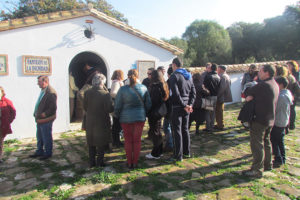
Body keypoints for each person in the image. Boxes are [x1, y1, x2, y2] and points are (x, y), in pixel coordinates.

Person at [242, 64, 279, 178]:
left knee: (257, 144)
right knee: (266, 142)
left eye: (261, 71)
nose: (258, 73)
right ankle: (268, 164)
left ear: (267, 72)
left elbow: (247, 91)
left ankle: (257, 169)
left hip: (259, 118)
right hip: (270, 118)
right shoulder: (274, 83)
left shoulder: (263, 85)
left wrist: (250, 95)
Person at [114, 69, 151, 169]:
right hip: (140, 117)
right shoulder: (144, 88)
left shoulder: (122, 89)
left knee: (128, 140)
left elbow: (117, 105)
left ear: (128, 76)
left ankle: (129, 162)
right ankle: (135, 162)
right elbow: (148, 104)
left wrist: (116, 115)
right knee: (137, 140)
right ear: (137, 76)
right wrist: (144, 113)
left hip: (125, 118)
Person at [84, 74, 114, 167]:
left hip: (90, 120)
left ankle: (92, 162)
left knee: (91, 141)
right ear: (102, 82)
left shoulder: (87, 92)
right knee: (101, 142)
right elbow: (110, 109)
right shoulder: (105, 94)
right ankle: (100, 162)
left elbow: (85, 107)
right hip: (102, 121)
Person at [169, 58, 196, 161]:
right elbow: (193, 93)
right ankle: (186, 152)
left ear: (174, 65)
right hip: (186, 106)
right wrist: (190, 104)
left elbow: (175, 94)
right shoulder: (188, 76)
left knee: (177, 131)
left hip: (178, 106)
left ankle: (178, 155)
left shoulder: (174, 76)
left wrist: (185, 105)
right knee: (185, 129)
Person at [30, 76, 57, 160]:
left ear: (45, 82)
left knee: (46, 136)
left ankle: (48, 153)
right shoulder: (43, 91)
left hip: (46, 119)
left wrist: (44, 114)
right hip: (39, 119)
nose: (37, 83)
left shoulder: (51, 92)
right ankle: (39, 151)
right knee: (40, 136)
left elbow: (53, 107)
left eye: (39, 82)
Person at [145, 70, 169, 159]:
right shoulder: (162, 84)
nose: (149, 76)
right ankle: (159, 151)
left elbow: (153, 101)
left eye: (150, 74)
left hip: (154, 112)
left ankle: (155, 153)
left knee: (155, 132)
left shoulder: (155, 87)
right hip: (159, 112)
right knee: (158, 132)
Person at [270, 77, 293, 168]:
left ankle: (279, 158)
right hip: (284, 120)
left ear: (281, 85)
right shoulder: (287, 93)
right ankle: (282, 158)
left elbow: (276, 109)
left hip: (278, 121)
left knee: (275, 141)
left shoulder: (281, 97)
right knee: (280, 141)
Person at [0, 86, 16, 163]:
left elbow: (13, 113)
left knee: (0, 142)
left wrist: (7, 121)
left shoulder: (7, 102)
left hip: (2, 127)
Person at [203, 63, 220, 132]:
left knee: (207, 112)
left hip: (208, 96)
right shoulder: (218, 77)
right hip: (215, 96)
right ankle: (212, 125)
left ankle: (208, 127)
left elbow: (204, 86)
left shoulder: (208, 76)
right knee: (212, 112)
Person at [215, 65, 232, 130]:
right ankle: (219, 123)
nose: (217, 70)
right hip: (223, 96)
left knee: (219, 111)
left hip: (221, 97)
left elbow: (222, 88)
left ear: (221, 69)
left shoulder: (223, 76)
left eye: (218, 69)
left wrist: (217, 95)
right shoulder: (226, 76)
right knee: (219, 111)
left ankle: (220, 125)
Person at [110, 70, 124, 147]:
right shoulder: (116, 82)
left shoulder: (116, 82)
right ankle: (116, 141)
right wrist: (121, 97)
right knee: (116, 124)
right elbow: (113, 93)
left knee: (117, 124)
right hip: (117, 105)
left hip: (117, 105)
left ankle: (116, 140)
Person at [163, 66, 174, 152]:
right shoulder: (181, 80)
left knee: (167, 126)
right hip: (178, 106)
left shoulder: (168, 82)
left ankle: (170, 144)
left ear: (168, 74)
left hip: (169, 108)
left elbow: (166, 96)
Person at [287, 61, 300, 130]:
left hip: (293, 93)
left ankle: (292, 124)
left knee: (292, 109)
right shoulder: (287, 73)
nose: (288, 67)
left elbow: (296, 83)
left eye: (289, 65)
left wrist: (294, 95)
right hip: (289, 92)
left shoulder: (296, 74)